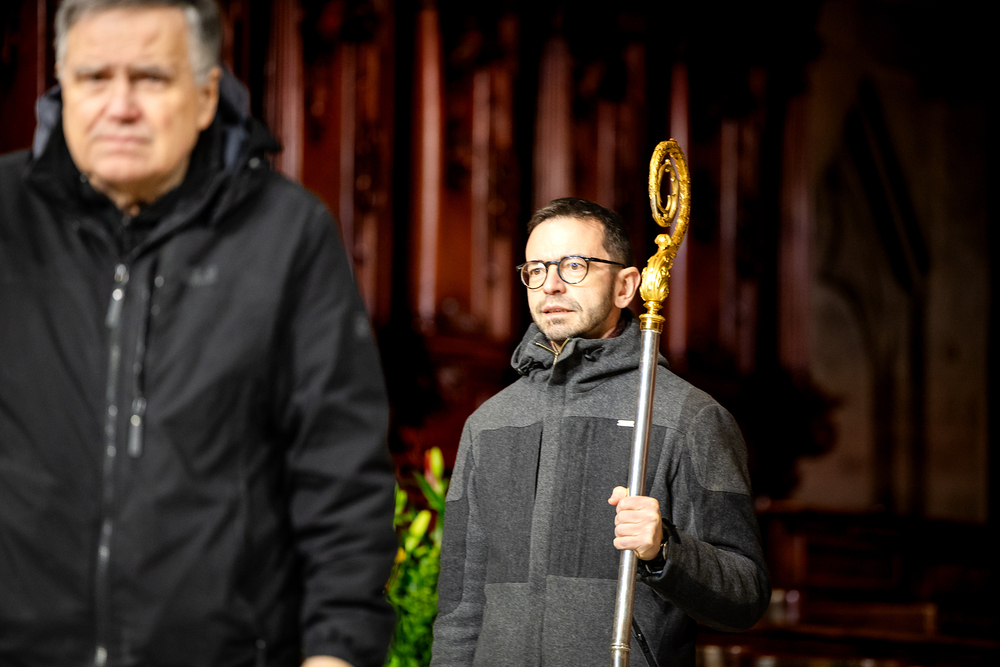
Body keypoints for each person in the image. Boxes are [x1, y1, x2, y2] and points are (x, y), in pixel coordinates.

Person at [0, 2, 395, 666]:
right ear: (63, 85)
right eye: (94, 78)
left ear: (207, 95)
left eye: (150, 78)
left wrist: (338, 651)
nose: (120, 106)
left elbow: (340, 471)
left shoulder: (287, 233)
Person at [431, 198, 771, 666]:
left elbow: (746, 595)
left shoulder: (688, 417)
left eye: (574, 266)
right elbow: (459, 610)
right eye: (536, 270)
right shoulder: (488, 423)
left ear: (625, 286)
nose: (551, 284)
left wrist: (663, 549)